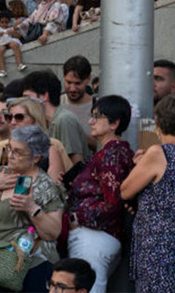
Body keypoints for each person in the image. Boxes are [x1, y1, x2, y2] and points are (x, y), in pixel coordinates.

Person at [0, 125, 63, 291]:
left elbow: (52, 233)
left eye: (18, 152)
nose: (10, 155)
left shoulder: (45, 187)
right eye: (9, 148)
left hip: (20, 270)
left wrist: (31, 208)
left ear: (36, 158)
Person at [120, 94, 175, 293]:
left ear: (158, 121)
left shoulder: (158, 152)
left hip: (156, 241)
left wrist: (138, 164)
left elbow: (125, 190)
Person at [66, 95, 134, 293]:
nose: (90, 121)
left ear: (114, 123)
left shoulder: (112, 153)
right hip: (96, 237)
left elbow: (113, 202)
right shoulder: (112, 152)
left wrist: (77, 217)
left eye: (97, 117)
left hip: (94, 237)